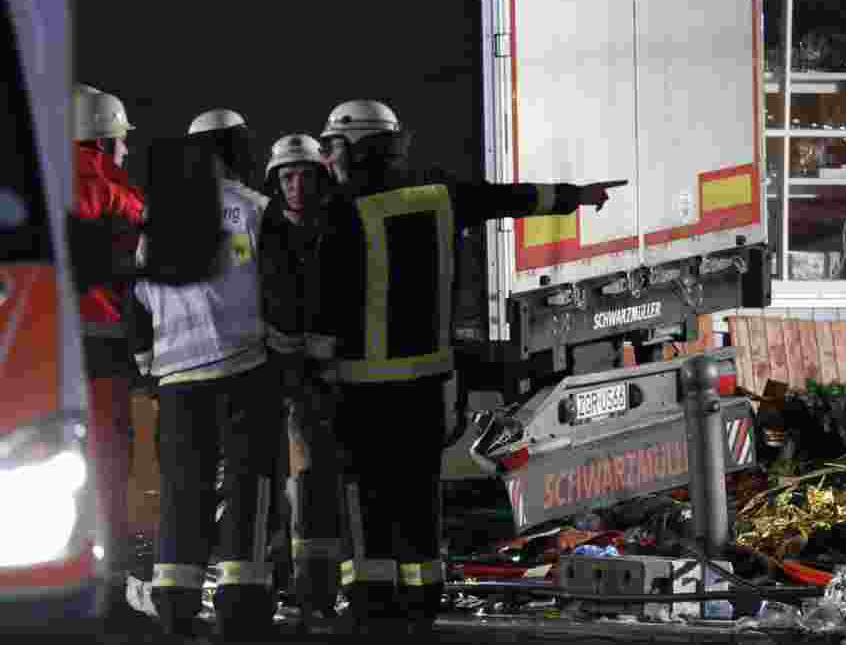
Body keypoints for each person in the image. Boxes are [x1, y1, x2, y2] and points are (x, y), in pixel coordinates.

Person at [309, 99, 626, 637]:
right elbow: (509, 199)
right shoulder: (439, 196)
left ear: (358, 147)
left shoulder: (342, 209)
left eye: (334, 147)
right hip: (428, 386)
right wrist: (576, 197)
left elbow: (327, 300)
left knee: (367, 499)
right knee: (418, 495)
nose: (329, 158)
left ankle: (372, 602)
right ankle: (421, 600)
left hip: (362, 390)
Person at [127, 109, 280, 640]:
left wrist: (148, 363)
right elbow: (279, 287)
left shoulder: (157, 214)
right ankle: (243, 602)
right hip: (244, 370)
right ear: (238, 148)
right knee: (247, 484)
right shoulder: (257, 209)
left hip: (175, 380)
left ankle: (175, 601)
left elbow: (139, 296)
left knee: (182, 489)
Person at [257, 133, 345, 619]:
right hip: (270, 376)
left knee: (315, 482)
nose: (295, 185)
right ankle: (272, 583)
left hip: (322, 378)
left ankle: (316, 592)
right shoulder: (262, 226)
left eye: (304, 174)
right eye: (286, 176)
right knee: (274, 483)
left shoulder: (337, 225)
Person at [71, 84, 145, 580]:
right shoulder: (112, 188)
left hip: (35, 344)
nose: (126, 150)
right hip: (101, 345)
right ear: (99, 140)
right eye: (120, 140)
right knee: (109, 463)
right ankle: (110, 577)